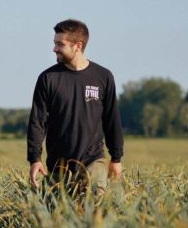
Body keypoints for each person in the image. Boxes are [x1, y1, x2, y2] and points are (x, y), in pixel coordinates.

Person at [27, 19, 124, 196]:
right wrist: (35, 159)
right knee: (60, 218)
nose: (54, 48)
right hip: (58, 166)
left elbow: (112, 119)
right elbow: (37, 122)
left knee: (95, 214)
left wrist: (116, 158)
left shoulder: (103, 76)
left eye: (59, 44)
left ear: (78, 45)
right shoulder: (48, 78)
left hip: (93, 160)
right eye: (54, 43)